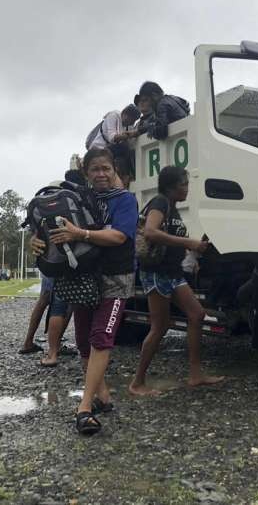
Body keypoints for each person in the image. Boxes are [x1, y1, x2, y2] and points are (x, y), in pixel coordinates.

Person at [33, 148, 138, 435]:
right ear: (86, 172)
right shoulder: (78, 198)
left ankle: (85, 407)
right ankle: (103, 396)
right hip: (84, 276)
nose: (101, 174)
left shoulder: (125, 200)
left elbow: (119, 236)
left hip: (116, 278)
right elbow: (48, 223)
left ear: (114, 169)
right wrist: (37, 240)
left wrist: (81, 234)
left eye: (106, 168)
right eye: (95, 169)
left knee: (101, 338)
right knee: (82, 341)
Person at [129, 166, 224, 396]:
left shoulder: (173, 208)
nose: (187, 188)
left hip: (172, 273)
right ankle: (137, 383)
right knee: (159, 327)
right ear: (171, 186)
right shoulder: (160, 202)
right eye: (184, 184)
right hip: (156, 273)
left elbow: (170, 240)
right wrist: (189, 243)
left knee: (197, 314)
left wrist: (193, 253)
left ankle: (195, 374)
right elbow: (150, 232)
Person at [18, 272, 51, 354]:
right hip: (58, 264)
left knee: (43, 300)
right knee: (64, 305)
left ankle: (28, 341)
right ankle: (56, 346)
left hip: (48, 264)